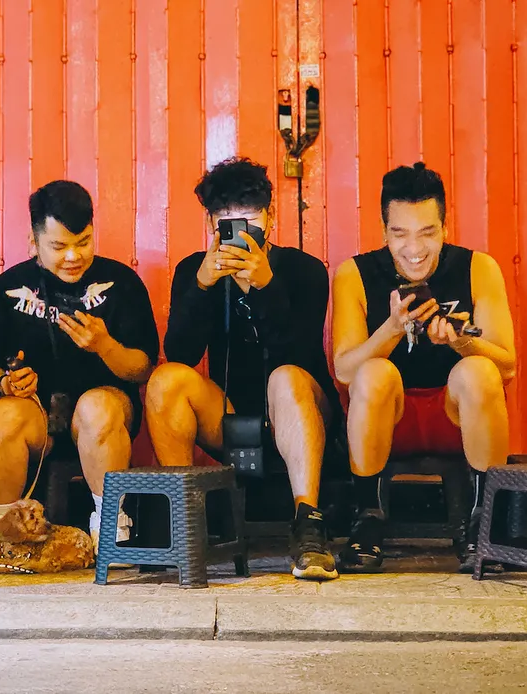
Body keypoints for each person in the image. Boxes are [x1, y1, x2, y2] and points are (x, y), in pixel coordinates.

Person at [145, 157, 341, 580]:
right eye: (227, 222)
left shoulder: (304, 270)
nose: (240, 231)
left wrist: (265, 286)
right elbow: (180, 353)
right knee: (165, 379)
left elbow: (299, 352)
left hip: (301, 411)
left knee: (285, 378)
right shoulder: (193, 270)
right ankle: (184, 520)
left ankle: (309, 525)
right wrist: (202, 285)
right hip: (231, 416)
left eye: (249, 219)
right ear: (211, 223)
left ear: (270, 216)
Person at [331, 162, 515, 573]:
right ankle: (368, 516)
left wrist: (462, 340)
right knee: (373, 371)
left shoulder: (477, 268)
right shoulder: (355, 274)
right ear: (384, 232)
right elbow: (344, 371)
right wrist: (393, 328)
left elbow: (507, 366)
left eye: (427, 232)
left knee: (479, 370)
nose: (414, 248)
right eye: (400, 233)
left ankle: (483, 521)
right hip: (387, 421)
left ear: (445, 228)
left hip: (457, 419)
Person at [0, 180, 159, 568]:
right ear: (33, 241)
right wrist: (4, 383)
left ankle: (111, 525)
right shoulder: (7, 288)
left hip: (104, 418)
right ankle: (2, 530)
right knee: (4, 415)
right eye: (58, 246)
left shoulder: (122, 283)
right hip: (36, 417)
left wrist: (105, 346)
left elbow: (143, 369)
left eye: (83, 242)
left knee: (96, 407)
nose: (73, 256)